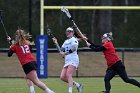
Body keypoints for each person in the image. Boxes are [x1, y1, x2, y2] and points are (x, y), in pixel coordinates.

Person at [7, 29, 55, 93]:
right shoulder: (26, 42)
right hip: (33, 62)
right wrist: (11, 42)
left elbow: (9, 54)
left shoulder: (15, 45)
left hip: (26, 64)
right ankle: (32, 91)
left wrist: (10, 46)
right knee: (27, 77)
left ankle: (50, 92)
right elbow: (24, 48)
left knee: (36, 81)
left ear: (16, 35)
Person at [52, 27, 83, 93]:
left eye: (69, 31)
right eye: (67, 31)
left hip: (73, 59)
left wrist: (65, 53)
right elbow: (60, 50)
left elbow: (74, 48)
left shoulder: (74, 39)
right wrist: (56, 43)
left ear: (72, 32)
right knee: (62, 77)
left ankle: (70, 91)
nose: (68, 32)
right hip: (67, 61)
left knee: (69, 75)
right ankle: (78, 85)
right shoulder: (66, 41)